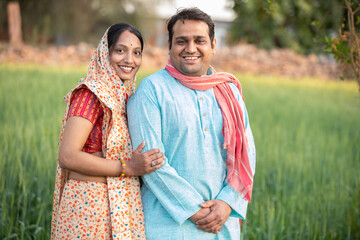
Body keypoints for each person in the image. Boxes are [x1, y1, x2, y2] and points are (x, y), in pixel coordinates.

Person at [127, 8, 256, 240]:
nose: (190, 48)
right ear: (169, 45)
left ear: (213, 45)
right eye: (181, 41)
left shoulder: (230, 92)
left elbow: (247, 153)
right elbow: (151, 162)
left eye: (200, 41)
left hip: (222, 226)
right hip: (167, 227)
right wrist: (196, 211)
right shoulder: (152, 90)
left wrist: (227, 204)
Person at [51, 23, 165, 239]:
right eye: (120, 50)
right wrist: (127, 168)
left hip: (123, 205)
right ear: (106, 52)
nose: (129, 60)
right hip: (89, 206)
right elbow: (67, 156)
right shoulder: (91, 94)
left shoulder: (128, 99)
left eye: (136, 53)